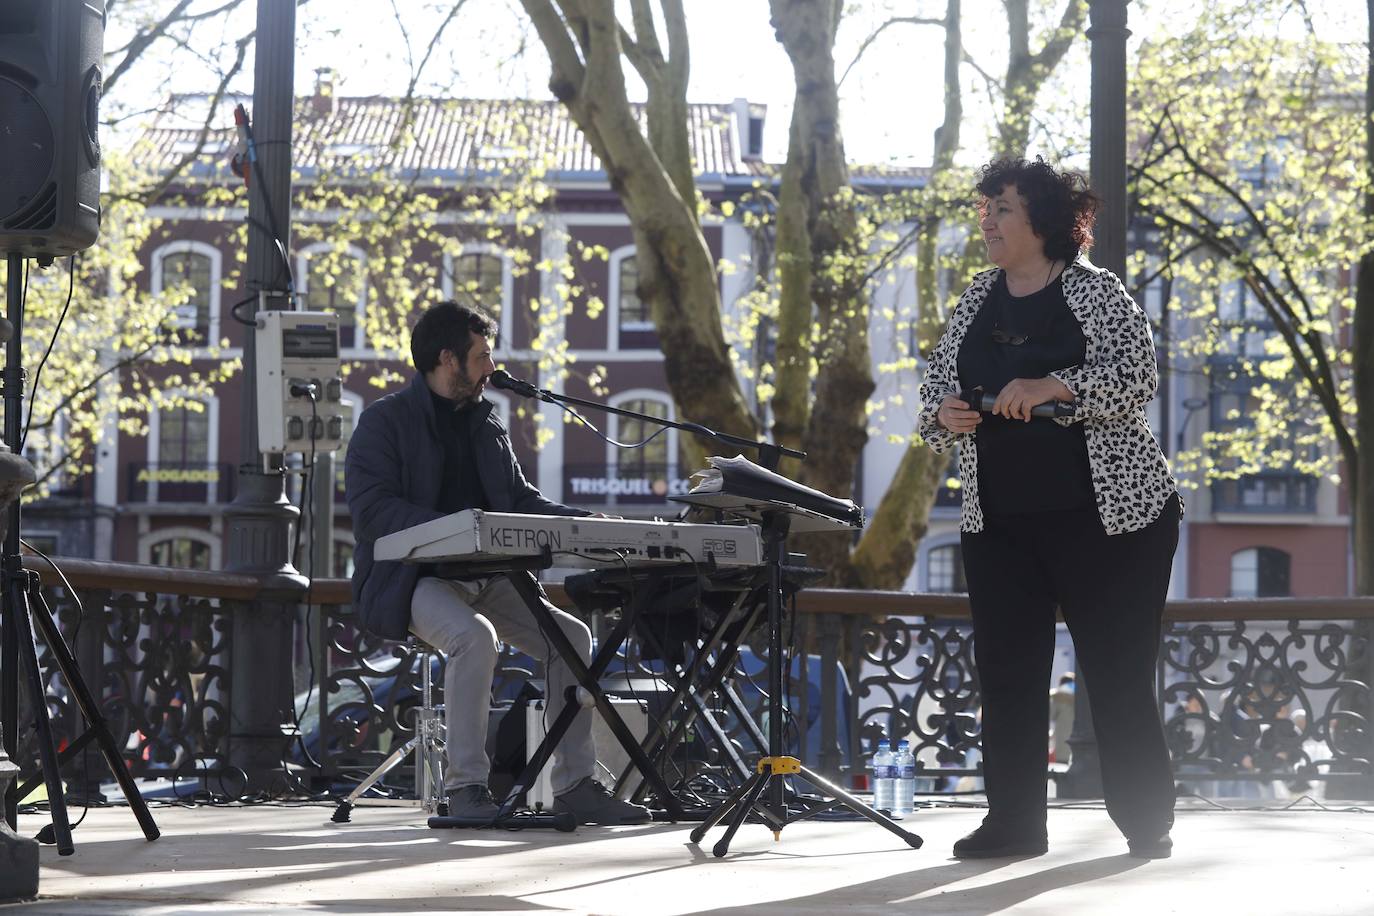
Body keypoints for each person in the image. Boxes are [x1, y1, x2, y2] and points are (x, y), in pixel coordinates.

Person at [918, 157, 1182, 860]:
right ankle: (1014, 824)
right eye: (984, 208)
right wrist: (943, 414)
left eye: (1001, 208)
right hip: (998, 522)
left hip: (1113, 523)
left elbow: (1135, 378)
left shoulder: (1097, 294)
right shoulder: (976, 296)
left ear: (1044, 221)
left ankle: (1146, 821)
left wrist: (1051, 386)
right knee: (1006, 676)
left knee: (1116, 671)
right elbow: (934, 390)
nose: (988, 220)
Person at [345, 300, 650, 825]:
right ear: (447, 359)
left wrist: (585, 521)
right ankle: (465, 790)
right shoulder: (383, 422)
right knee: (474, 637)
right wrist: (459, 526)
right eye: (482, 356)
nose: (492, 369)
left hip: (489, 575)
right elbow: (374, 511)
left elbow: (519, 500)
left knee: (572, 640)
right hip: (415, 579)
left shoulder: (488, 423)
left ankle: (576, 784)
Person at [1048, 672, 1075, 765]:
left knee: (1061, 765)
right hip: (1079, 744)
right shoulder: (1080, 696)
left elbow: (1050, 715)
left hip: (1062, 740)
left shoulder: (1057, 696)